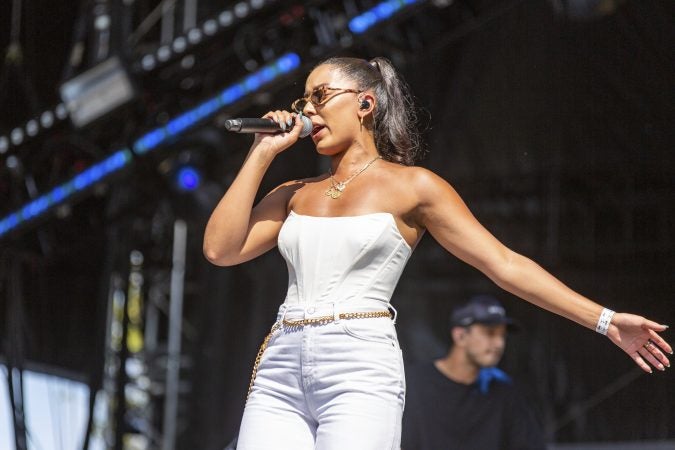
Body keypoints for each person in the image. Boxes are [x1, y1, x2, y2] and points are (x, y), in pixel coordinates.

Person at [202, 56, 671, 450]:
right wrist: (262, 154)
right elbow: (220, 249)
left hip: (358, 363)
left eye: (321, 95)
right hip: (281, 363)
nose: (308, 109)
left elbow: (503, 264)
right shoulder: (294, 192)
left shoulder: (415, 186)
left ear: (365, 103)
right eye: (303, 100)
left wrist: (606, 321)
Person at [402, 294, 545, 449]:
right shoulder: (412, 384)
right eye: (490, 333)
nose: (499, 343)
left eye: (502, 335)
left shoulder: (505, 392)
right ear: (460, 336)